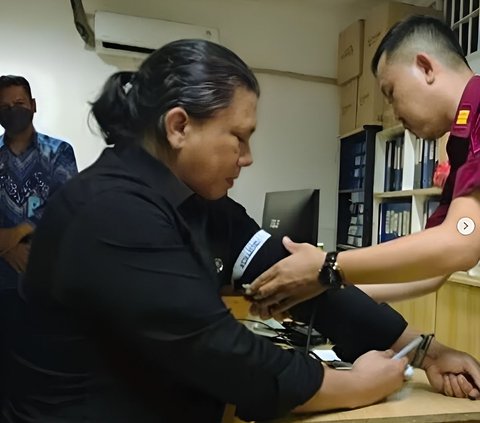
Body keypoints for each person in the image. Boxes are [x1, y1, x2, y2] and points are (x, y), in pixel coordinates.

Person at [2, 39, 479, 423]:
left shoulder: (203, 205)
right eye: (239, 137)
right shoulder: (112, 210)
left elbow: (297, 279)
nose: (247, 158)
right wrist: (361, 384)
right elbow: (228, 359)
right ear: (179, 127)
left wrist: (426, 351)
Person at [247, 15, 480, 321]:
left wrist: (328, 266)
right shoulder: (462, 146)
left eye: (391, 92)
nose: (395, 113)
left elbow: (459, 243)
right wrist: (316, 292)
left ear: (425, 67)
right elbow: (430, 271)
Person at [0, 75, 78, 403]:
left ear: (33, 106)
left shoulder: (59, 151)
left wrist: (14, 235)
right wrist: (6, 251)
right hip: (1, 280)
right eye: (4, 107)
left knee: (46, 367)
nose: (13, 110)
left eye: (19, 104)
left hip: (46, 273)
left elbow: (67, 206)